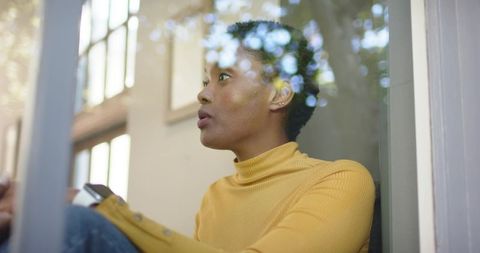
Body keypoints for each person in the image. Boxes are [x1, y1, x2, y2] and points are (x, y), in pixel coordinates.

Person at [0, 20, 374, 253]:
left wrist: (97, 205)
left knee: (77, 226)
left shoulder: (341, 181)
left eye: (223, 77)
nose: (203, 93)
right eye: (204, 81)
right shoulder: (215, 197)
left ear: (279, 94)